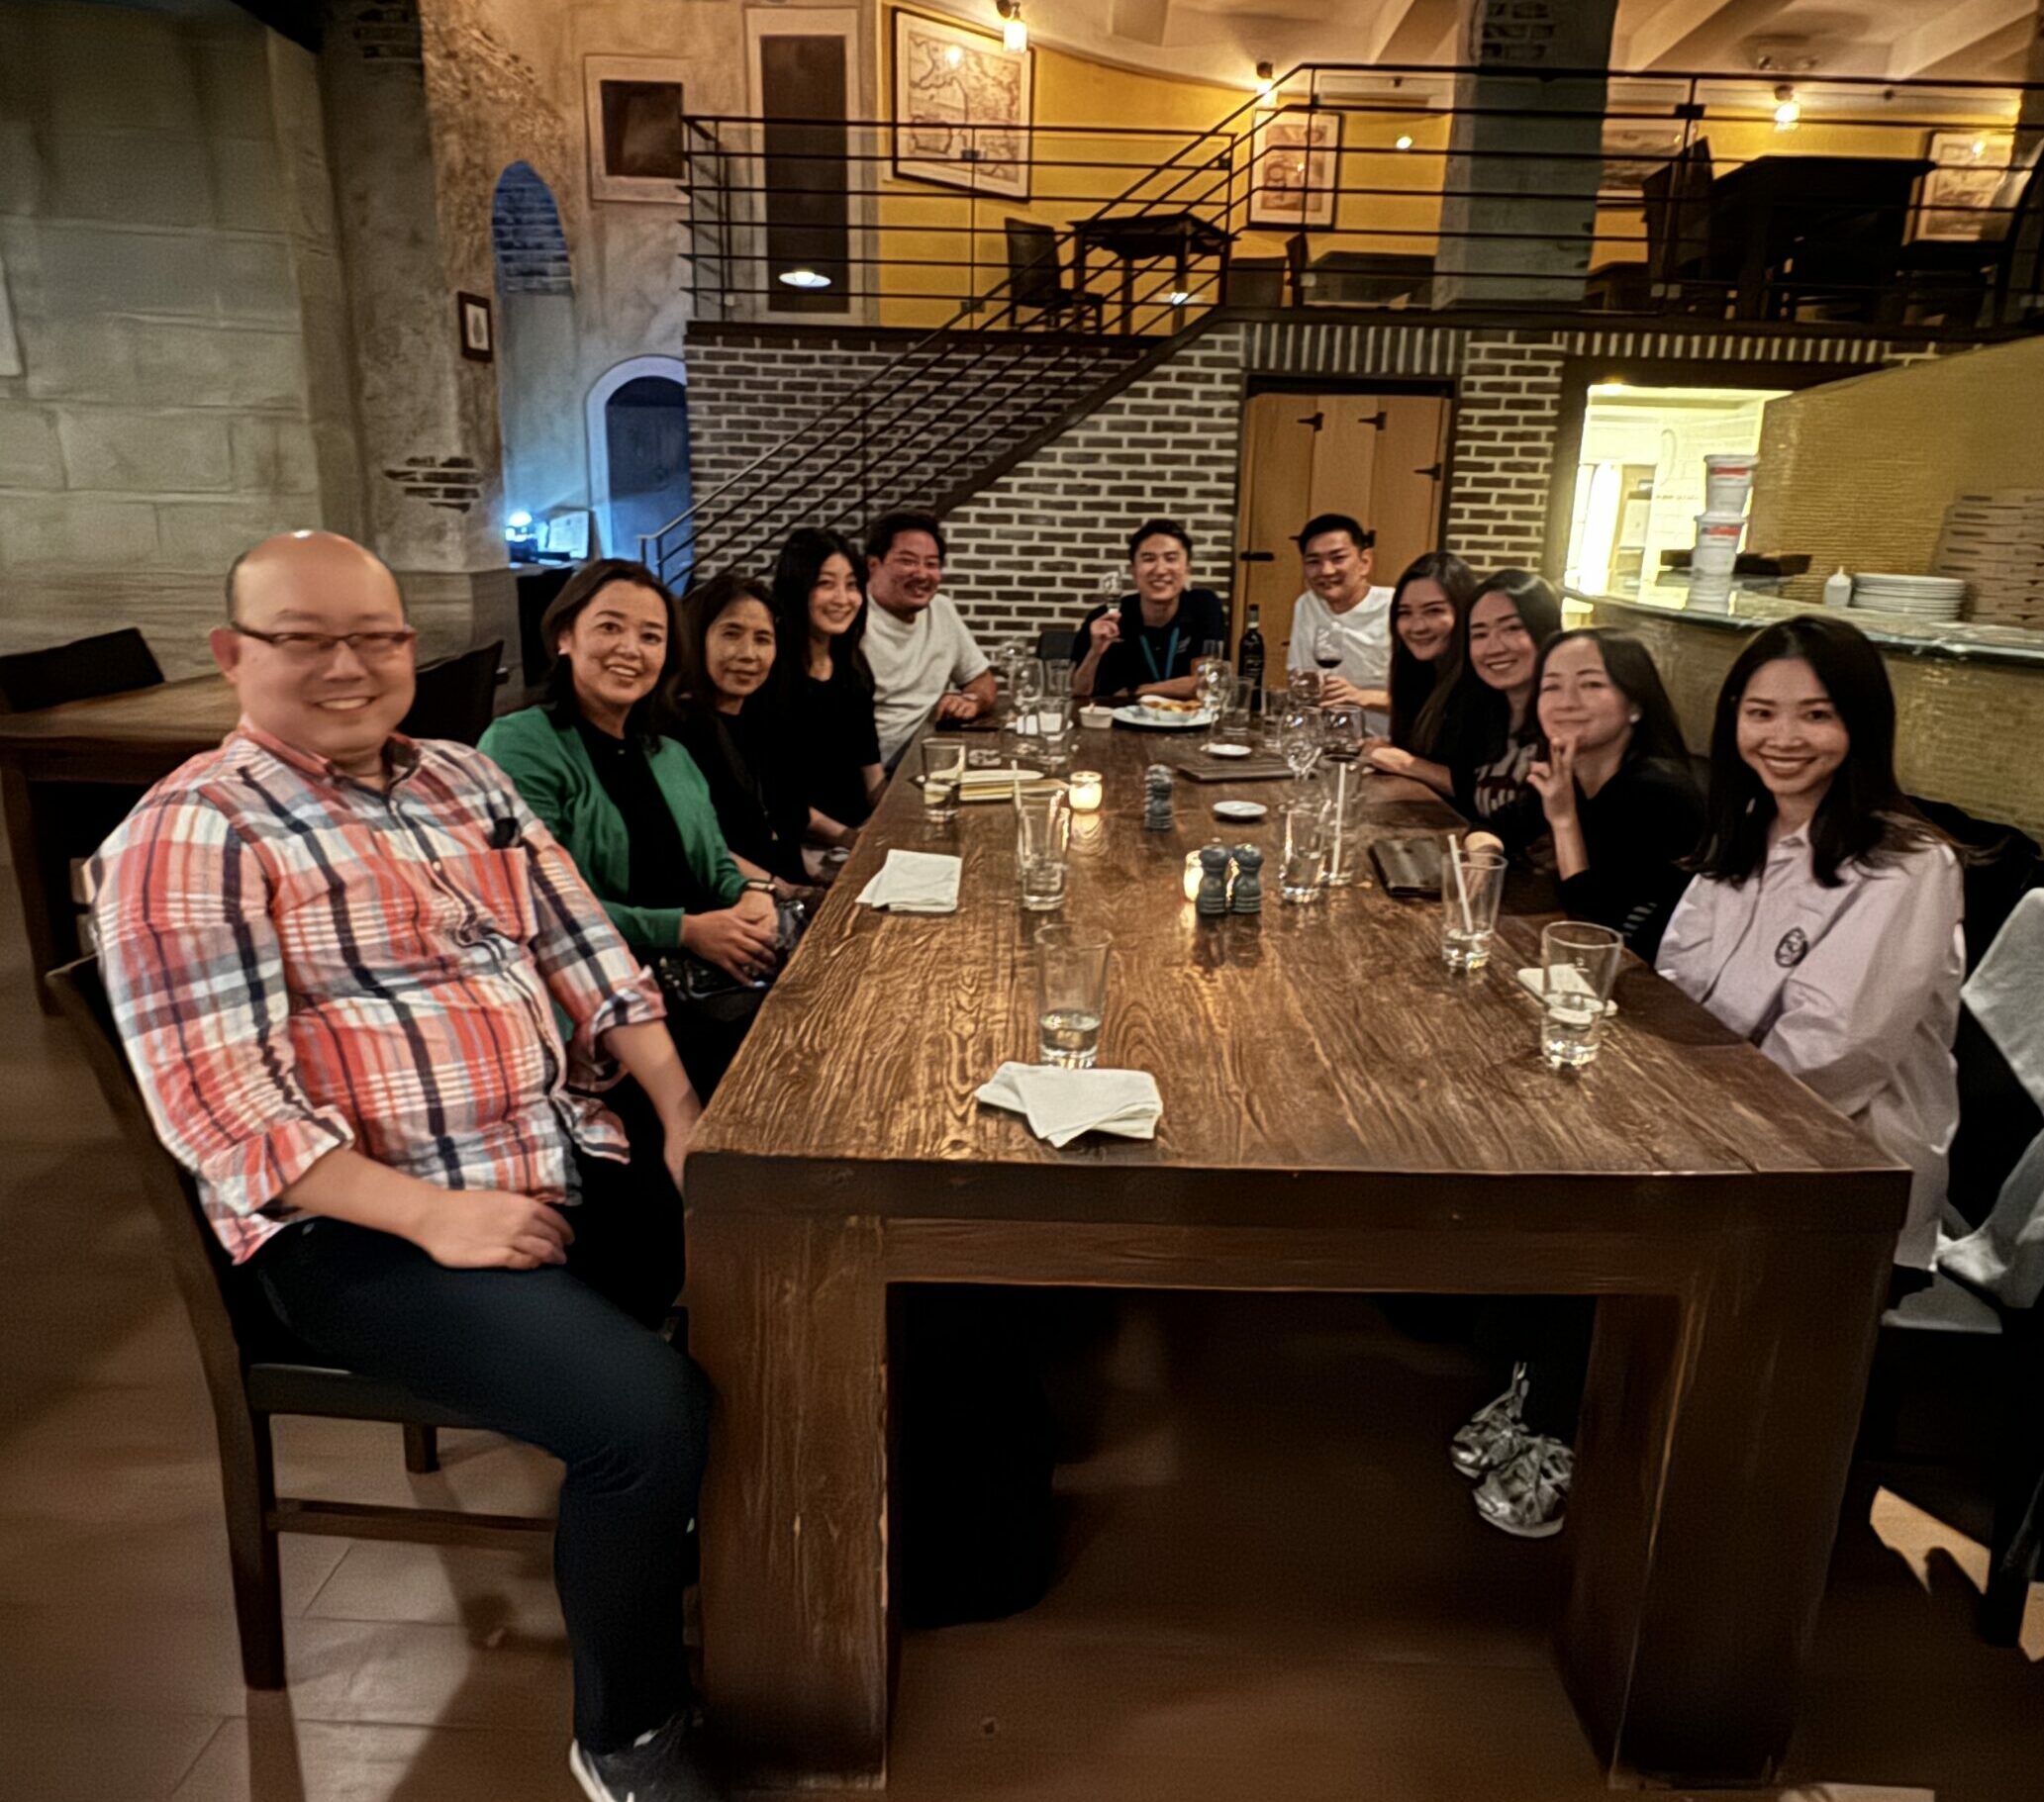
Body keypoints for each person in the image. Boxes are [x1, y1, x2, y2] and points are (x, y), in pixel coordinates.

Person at [89, 531, 723, 1802]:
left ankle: (729, 1555)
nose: (349, 666)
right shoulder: (191, 832)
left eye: (375, 638)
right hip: (355, 1229)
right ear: (233, 656)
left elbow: (584, 949)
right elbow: (224, 1114)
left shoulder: (458, 777)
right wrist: (432, 1215)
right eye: (305, 639)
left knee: (793, 1254)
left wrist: (676, 1106)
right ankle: (628, 1731)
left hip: (555, 1149)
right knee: (644, 1419)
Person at [1658, 614, 1963, 1277]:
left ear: (1861, 724)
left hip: (1840, 1182)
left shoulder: (1908, 865)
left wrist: (1678, 1123)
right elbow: (1676, 983)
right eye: (1761, 713)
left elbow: (1831, 1056)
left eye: (1816, 715)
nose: (1784, 738)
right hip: (1714, 1136)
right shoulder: (1748, 827)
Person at [480, 558, 782, 1099]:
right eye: (610, 627)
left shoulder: (668, 753)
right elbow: (533, 901)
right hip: (599, 999)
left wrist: (750, 894)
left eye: (651, 636)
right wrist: (685, 930)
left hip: (701, 979)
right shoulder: (521, 742)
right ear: (565, 636)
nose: (630, 649)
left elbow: (714, 862)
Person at [1524, 628, 1703, 962]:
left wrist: (1563, 820)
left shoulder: (1659, 793)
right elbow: (1498, 826)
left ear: (1635, 704)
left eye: (1591, 684)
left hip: (1651, 979)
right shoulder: (1570, 774)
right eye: (1551, 686)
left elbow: (1593, 928)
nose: (1567, 702)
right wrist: (1479, 865)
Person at [1373, 568, 1562, 845]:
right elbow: (1478, 803)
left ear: (1546, 631)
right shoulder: (1488, 714)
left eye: (1512, 628)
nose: (1494, 647)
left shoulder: (1565, 726)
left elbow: (1525, 822)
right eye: (1480, 634)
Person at [671, 571, 814, 892]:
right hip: (734, 902)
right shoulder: (675, 731)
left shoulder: (764, 718)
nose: (748, 654)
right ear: (695, 637)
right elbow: (697, 847)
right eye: (731, 634)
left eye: (762, 639)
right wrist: (787, 890)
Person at [767, 525, 884, 850]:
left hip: (855, 833)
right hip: (800, 845)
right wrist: (851, 840)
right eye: (825, 584)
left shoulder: (851, 664)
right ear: (797, 589)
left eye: (852, 585)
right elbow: (776, 793)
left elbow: (871, 772)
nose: (843, 599)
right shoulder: (771, 671)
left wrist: (897, 817)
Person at [861, 511, 995, 767]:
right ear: (873, 565)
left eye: (932, 564)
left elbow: (982, 680)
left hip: (931, 758)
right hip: (872, 771)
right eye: (908, 561)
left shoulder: (941, 609)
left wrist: (971, 701)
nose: (922, 574)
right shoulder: (852, 618)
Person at [1070, 519, 1228, 703]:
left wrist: (1138, 691)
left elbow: (1208, 681)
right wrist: (1095, 652)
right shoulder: (1105, 619)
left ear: (1187, 569)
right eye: (1149, 559)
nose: (1160, 570)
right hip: (1117, 719)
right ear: (1133, 571)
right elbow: (1077, 693)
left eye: (1171, 558)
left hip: (1184, 718)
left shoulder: (1203, 606)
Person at [1284, 513, 1395, 731]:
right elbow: (1297, 677)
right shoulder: (1307, 605)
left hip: (1387, 741)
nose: (1326, 571)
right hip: (1326, 736)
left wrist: (1361, 696)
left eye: (1338, 558)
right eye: (1314, 562)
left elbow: (1428, 701)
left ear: (1364, 562)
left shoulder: (1397, 607)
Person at [1384, 550, 1475, 754]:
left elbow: (1475, 774)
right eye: (1405, 613)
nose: (1417, 627)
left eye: (1433, 611)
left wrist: (1401, 762)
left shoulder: (1479, 685)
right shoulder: (1418, 675)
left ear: (1465, 612)